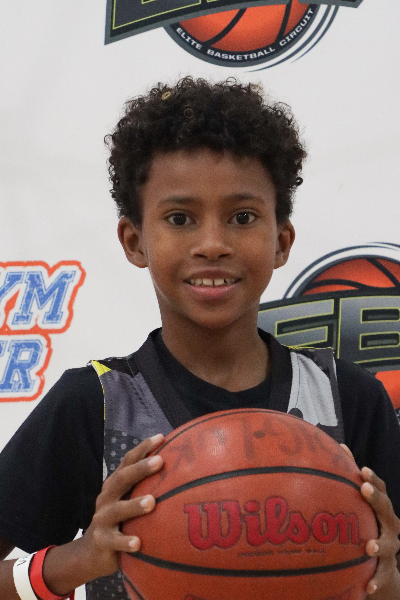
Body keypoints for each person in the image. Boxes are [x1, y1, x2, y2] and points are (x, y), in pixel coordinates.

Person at [0, 77, 399, 600]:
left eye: (242, 217)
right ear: (134, 241)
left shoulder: (349, 398)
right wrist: (75, 560)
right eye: (180, 218)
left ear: (281, 242)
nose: (212, 244)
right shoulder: (93, 404)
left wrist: (387, 583)